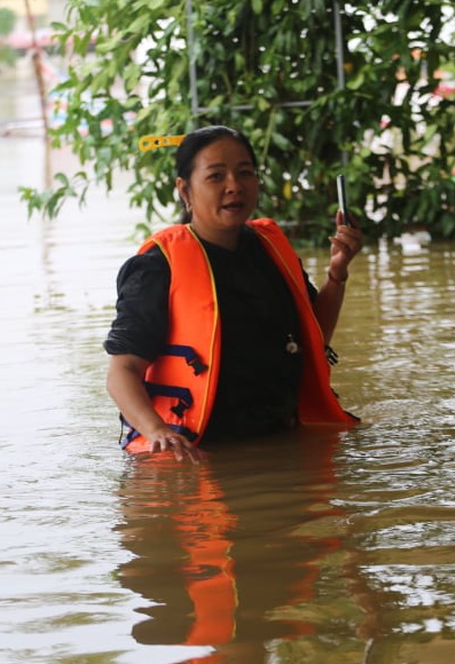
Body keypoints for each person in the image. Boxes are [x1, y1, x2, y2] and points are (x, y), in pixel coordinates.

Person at [104, 125, 362, 462]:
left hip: (282, 439)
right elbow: (121, 372)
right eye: (215, 176)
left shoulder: (271, 250)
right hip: (195, 453)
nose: (234, 186)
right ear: (185, 190)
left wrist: (337, 273)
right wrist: (157, 431)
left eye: (245, 173)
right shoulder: (155, 268)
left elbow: (314, 337)